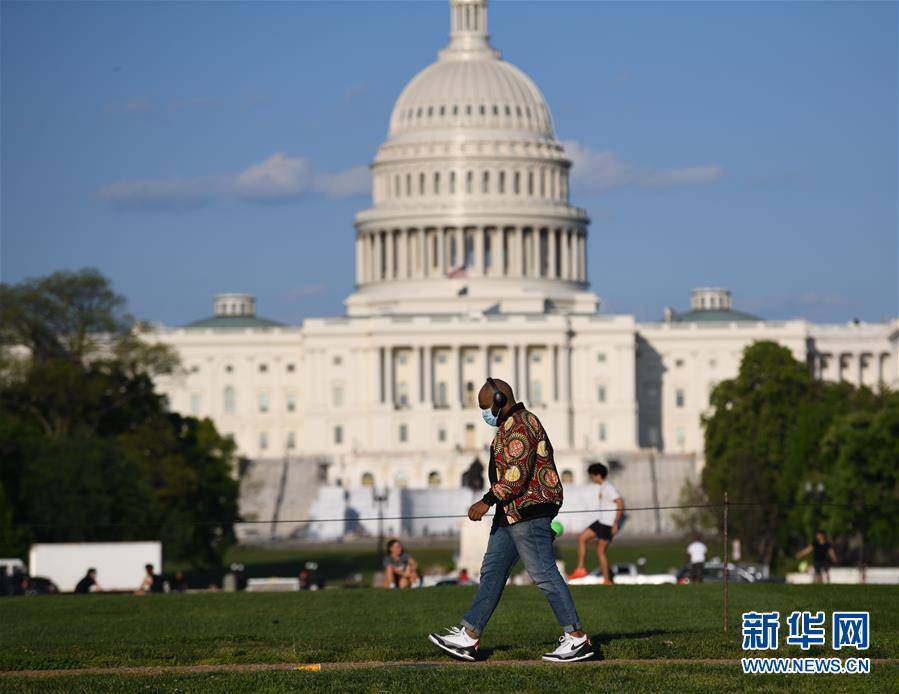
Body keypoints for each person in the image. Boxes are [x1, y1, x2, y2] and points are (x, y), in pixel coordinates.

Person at [429, 378, 592, 663]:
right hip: (511, 512)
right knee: (492, 572)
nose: (484, 413)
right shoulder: (507, 426)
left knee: (543, 574)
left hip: (529, 509)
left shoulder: (521, 425)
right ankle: (469, 637)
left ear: (500, 401)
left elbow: (516, 475)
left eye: (485, 407)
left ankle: (577, 639)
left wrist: (486, 501)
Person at [569, 462, 624, 584]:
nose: (592, 478)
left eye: (592, 476)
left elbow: (620, 502)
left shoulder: (608, 488)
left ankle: (607, 580)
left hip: (607, 524)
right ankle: (581, 569)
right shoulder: (603, 487)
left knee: (600, 551)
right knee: (582, 538)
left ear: (598, 475)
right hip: (601, 521)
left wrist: (615, 523)